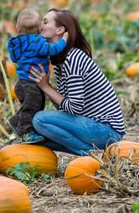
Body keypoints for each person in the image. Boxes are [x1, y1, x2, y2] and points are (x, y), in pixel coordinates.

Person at [27, 8, 125, 155]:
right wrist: (46, 87)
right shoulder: (61, 62)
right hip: (91, 126)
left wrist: (47, 88)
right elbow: (65, 108)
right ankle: (92, 153)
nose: (41, 25)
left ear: (60, 29)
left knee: (40, 120)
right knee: (36, 135)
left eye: (45, 21)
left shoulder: (73, 58)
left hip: (106, 130)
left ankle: (88, 152)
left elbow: (75, 108)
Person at [7, 8, 69, 143]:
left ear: (17, 27)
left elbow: (14, 59)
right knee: (33, 107)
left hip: (22, 83)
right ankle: (26, 132)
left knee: (33, 106)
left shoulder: (16, 43)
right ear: (40, 28)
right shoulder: (37, 41)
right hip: (31, 84)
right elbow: (53, 49)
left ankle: (16, 120)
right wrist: (64, 40)